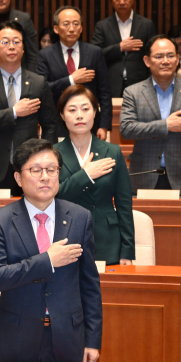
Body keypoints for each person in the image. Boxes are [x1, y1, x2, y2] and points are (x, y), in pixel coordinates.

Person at [0, 138, 102, 362]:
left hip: (68, 337)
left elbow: (90, 285)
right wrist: (47, 260)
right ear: (18, 177)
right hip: (14, 339)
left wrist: (92, 339)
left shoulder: (80, 217)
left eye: (51, 170)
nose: (45, 176)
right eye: (36, 170)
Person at [0, 21, 58, 197]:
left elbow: (50, 125)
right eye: (5, 42)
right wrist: (14, 112)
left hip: (32, 169)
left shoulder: (38, 82)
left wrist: (45, 159)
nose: (11, 46)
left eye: (16, 42)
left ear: (23, 48)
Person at [120, 35, 181, 197]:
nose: (165, 61)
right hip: (143, 175)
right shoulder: (133, 92)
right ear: (147, 61)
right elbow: (126, 129)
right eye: (159, 56)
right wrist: (166, 125)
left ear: (177, 59)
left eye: (170, 56)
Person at [54, 85, 134, 265]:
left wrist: (127, 251)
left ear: (95, 112)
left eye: (85, 109)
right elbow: (53, 196)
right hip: (65, 239)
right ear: (62, 115)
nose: (79, 115)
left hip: (107, 240)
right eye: (72, 110)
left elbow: (124, 205)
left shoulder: (112, 151)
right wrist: (86, 175)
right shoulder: (52, 154)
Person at [37, 6, 112, 139]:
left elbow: (105, 91)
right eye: (66, 24)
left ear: (81, 28)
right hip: (57, 125)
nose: (72, 28)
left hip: (91, 124)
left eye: (76, 24)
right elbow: (41, 90)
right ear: (56, 28)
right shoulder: (45, 55)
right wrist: (71, 79)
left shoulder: (94, 52)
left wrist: (104, 125)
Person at [91, 0, 157, 97]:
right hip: (111, 84)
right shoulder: (102, 26)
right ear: (111, 0)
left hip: (140, 83)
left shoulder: (146, 25)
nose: (121, 2)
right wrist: (120, 47)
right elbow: (95, 54)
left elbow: (154, 54)